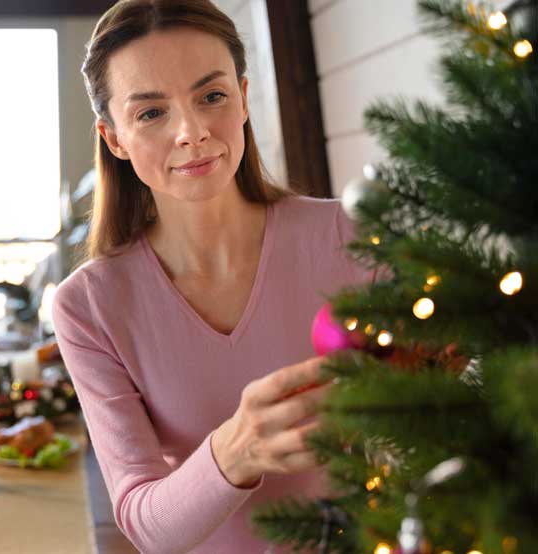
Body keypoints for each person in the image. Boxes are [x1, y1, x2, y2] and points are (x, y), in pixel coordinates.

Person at [51, 2, 373, 552]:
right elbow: (145, 525)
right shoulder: (88, 307)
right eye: (151, 113)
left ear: (243, 98)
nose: (192, 132)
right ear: (115, 139)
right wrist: (236, 451)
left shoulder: (350, 236)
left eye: (212, 96)